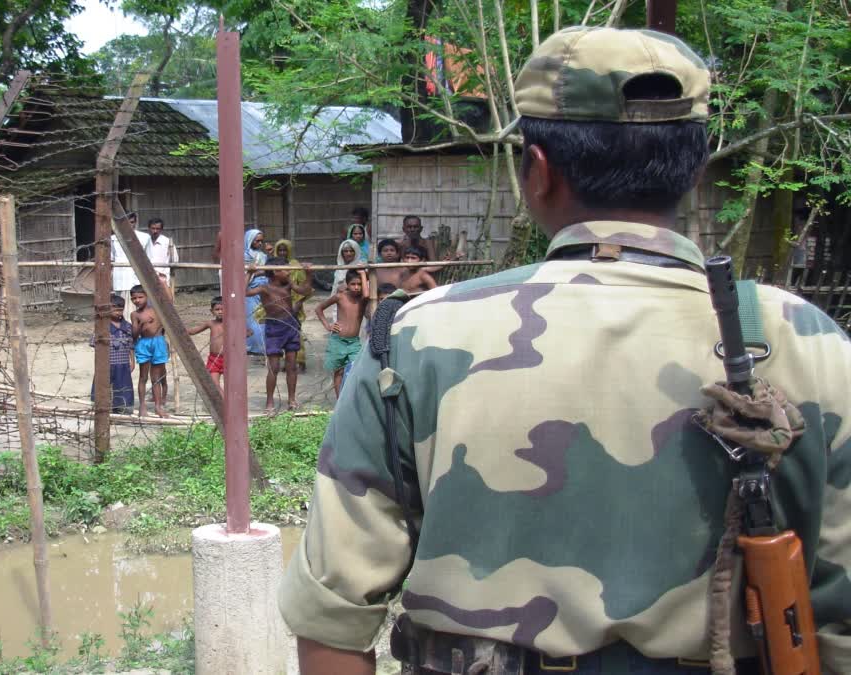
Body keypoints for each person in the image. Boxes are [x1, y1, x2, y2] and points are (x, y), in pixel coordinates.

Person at [280, 26, 851, 675]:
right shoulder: (806, 342)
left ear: (538, 171)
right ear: (694, 170)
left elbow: (333, 616)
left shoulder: (419, 337)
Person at [248, 256, 313, 411]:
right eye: (286, 269)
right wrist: (249, 274)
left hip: (290, 325)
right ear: (276, 272)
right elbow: (245, 292)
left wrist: (309, 274)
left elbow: (305, 290)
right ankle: (269, 402)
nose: (289, 271)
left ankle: (291, 399)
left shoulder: (288, 286)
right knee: (274, 367)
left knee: (291, 365)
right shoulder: (265, 288)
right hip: (274, 328)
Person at [315, 272, 368, 398]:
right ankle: (340, 400)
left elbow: (366, 294)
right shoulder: (340, 297)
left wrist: (362, 273)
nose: (356, 287)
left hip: (354, 342)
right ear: (347, 285)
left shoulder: (362, 299)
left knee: (356, 369)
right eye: (353, 284)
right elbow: (319, 309)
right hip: (338, 340)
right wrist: (328, 326)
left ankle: (351, 398)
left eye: (359, 284)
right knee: (338, 371)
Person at [189, 296, 252, 388]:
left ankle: (228, 402)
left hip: (230, 359)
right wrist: (176, 328)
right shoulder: (211, 323)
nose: (220, 311)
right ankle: (224, 402)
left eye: (223, 309)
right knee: (214, 385)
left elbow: (249, 332)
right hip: (214, 359)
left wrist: (241, 335)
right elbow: (193, 331)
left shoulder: (232, 323)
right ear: (212, 311)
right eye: (217, 309)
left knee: (231, 386)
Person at [88, 295, 135, 414]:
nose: (118, 312)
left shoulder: (128, 327)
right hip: (106, 363)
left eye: (121, 309)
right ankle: (101, 406)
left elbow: (131, 345)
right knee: (103, 385)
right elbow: (95, 344)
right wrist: (99, 362)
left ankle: (120, 407)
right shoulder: (102, 327)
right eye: (115, 309)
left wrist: (132, 361)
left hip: (123, 363)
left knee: (122, 385)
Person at [129, 285, 168, 418]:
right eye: (134, 298)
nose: (137, 300)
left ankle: (158, 407)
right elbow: (134, 335)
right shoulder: (134, 314)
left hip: (158, 342)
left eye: (140, 297)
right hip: (144, 343)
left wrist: (163, 283)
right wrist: (141, 323)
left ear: (147, 296)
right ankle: (142, 406)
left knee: (155, 378)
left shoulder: (157, 310)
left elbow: (169, 301)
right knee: (143, 377)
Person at [274, 239, 313, 370]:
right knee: (279, 334)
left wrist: (299, 302)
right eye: (280, 250)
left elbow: (306, 287)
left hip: (294, 305)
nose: (282, 253)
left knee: (296, 333)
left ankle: (300, 361)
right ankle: (285, 362)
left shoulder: (295, 266)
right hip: (278, 306)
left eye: (285, 250)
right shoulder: (272, 265)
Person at [112, 211, 151, 323]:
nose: (129, 225)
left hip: (138, 280)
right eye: (126, 223)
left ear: (135, 222)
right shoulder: (114, 239)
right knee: (121, 309)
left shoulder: (144, 238)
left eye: (132, 222)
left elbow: (149, 259)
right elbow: (112, 259)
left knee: (138, 309)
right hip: (120, 279)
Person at [243, 228, 269, 356]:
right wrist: (258, 272)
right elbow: (243, 275)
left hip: (263, 290)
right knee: (252, 319)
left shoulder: (263, 255)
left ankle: (262, 346)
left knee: (263, 319)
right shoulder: (245, 256)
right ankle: (252, 346)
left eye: (261, 241)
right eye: (257, 241)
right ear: (249, 240)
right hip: (250, 290)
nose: (260, 243)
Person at [144, 217, 178, 297]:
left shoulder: (167, 242)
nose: (155, 231)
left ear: (161, 229)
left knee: (165, 300)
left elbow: (175, 260)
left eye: (158, 229)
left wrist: (164, 272)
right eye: (153, 228)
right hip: (149, 275)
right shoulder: (146, 241)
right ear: (149, 228)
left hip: (162, 276)